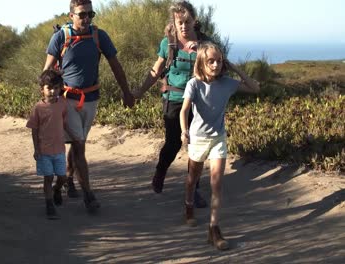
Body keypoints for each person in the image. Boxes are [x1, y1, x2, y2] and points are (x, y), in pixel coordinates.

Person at [43, 0, 134, 212]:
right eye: (82, 14)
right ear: (71, 15)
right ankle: (88, 195)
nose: (86, 19)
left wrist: (126, 92)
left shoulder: (98, 36)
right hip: (68, 100)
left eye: (90, 14)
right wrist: (46, 102)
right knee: (79, 145)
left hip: (91, 99)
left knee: (77, 145)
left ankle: (62, 184)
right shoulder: (60, 38)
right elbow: (46, 73)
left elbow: (116, 66)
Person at [180, 42, 260, 250]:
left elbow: (254, 87)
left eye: (219, 61)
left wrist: (233, 67)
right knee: (192, 179)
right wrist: (184, 131)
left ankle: (213, 229)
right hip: (198, 138)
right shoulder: (194, 84)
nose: (215, 65)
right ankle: (188, 206)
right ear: (201, 62)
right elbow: (184, 110)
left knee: (217, 184)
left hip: (218, 138)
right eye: (210, 61)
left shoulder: (227, 83)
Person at [133, 1, 208, 208]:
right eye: (179, 22)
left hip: (199, 102)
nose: (183, 26)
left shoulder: (205, 43)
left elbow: (217, 68)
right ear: (174, 23)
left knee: (196, 145)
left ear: (194, 20)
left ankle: (194, 189)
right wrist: (139, 91)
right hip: (174, 101)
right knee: (174, 143)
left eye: (186, 21)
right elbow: (156, 71)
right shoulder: (168, 44)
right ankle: (160, 172)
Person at [26, 69, 77, 219]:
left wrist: (74, 136)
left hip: (59, 149)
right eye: (49, 88)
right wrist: (36, 149)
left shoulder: (62, 103)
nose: (53, 91)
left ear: (60, 88)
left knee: (62, 177)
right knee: (48, 177)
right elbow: (34, 130)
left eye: (56, 88)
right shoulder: (38, 108)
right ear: (42, 89)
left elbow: (64, 123)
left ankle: (57, 189)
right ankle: (49, 205)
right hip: (44, 151)